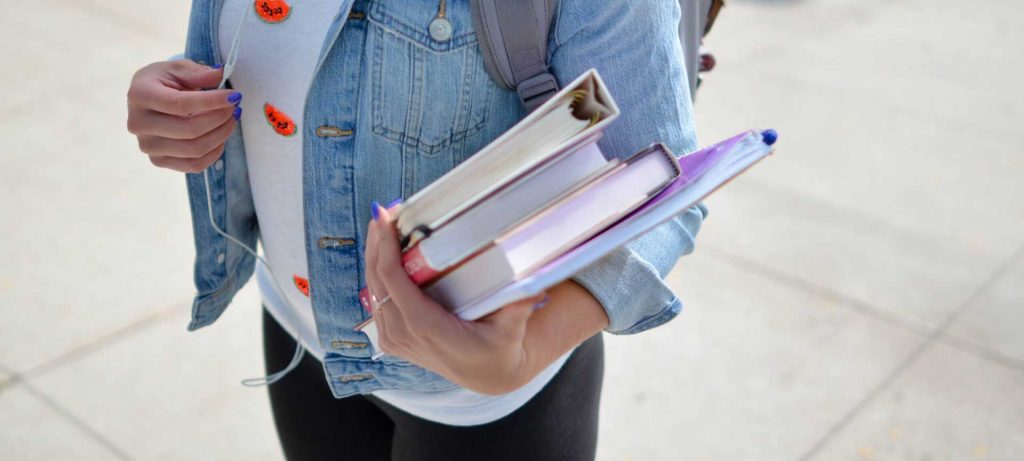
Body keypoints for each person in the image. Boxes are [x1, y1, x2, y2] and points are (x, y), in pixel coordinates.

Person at [126, 0, 707, 459]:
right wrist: (174, 110)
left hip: (487, 405)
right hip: (299, 335)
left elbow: (661, 184)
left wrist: (527, 351)